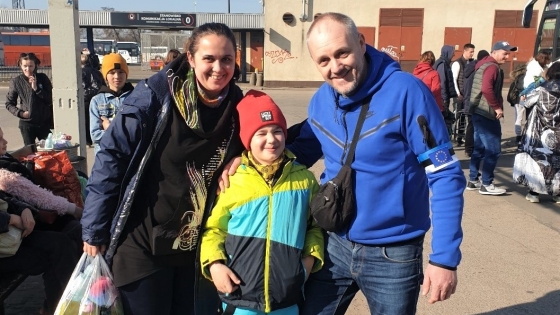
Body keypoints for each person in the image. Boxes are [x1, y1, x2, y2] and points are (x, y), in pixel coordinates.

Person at [269, 12, 464, 315]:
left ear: (361, 43)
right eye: (324, 60)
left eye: (342, 53)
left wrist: (444, 259)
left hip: (394, 254)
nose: (335, 67)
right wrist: (241, 164)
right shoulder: (321, 101)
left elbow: (445, 174)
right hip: (334, 244)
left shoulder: (406, 92)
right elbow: (294, 152)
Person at [81, 22, 245, 315]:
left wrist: (242, 156)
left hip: (192, 247)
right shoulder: (155, 97)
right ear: (191, 58)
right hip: (142, 244)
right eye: (209, 58)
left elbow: (270, 143)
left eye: (227, 59)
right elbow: (111, 158)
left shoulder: (237, 107)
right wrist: (94, 229)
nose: (218, 68)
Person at [200, 90, 324, 315]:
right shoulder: (233, 181)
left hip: (286, 302)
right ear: (247, 140)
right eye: (261, 133)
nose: (271, 139)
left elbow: (314, 227)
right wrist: (214, 265)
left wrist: (308, 263)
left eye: (277, 131)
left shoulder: (304, 180)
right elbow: (213, 229)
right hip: (239, 300)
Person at [0, 127, 80, 315]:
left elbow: (4, 198)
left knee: (63, 242)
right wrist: (10, 218)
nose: (5, 142)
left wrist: (23, 209)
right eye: (0, 139)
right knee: (59, 250)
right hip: (6, 243)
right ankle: (63, 306)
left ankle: (60, 307)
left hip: (10, 238)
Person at [467, 41, 517, 195]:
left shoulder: (483, 64)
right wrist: (496, 107)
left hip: (478, 112)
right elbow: (486, 88)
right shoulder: (492, 67)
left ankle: (473, 180)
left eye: (508, 53)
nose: (507, 57)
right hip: (486, 113)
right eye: (505, 53)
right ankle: (487, 184)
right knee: (493, 150)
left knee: (479, 149)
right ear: (494, 52)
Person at [513, 62, 560, 203]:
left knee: (538, 160)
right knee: (556, 161)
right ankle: (557, 194)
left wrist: (523, 98)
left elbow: (525, 103)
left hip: (539, 131)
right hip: (557, 132)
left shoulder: (541, 89)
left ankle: (534, 193)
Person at [89, 53, 134, 154]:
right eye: (112, 72)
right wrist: (121, 133)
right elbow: (95, 135)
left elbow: (137, 133)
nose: (117, 76)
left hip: (128, 156)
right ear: (106, 76)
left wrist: (110, 128)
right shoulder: (97, 101)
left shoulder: (135, 99)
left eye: (121, 72)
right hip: (105, 158)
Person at [5, 53, 53, 146]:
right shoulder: (16, 82)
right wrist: (21, 113)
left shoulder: (42, 78)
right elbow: (9, 103)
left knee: (48, 151)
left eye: (31, 66)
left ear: (35, 65)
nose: (28, 69)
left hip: (44, 122)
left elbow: (51, 98)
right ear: (20, 65)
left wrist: (37, 89)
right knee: (30, 152)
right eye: (25, 66)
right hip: (27, 124)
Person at [463, 50, 490, 157]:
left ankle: (469, 149)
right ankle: (474, 149)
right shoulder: (480, 69)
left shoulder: (470, 68)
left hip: (468, 99)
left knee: (471, 125)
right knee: (477, 126)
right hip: (476, 101)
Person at [451, 43, 475, 145]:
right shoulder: (457, 63)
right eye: (471, 52)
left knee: (464, 117)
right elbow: (454, 79)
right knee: (457, 116)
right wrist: (458, 93)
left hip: (467, 94)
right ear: (464, 51)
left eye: (473, 52)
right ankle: (452, 135)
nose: (472, 54)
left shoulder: (471, 63)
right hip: (459, 95)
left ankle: (461, 137)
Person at [81, 53, 105, 146]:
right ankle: (94, 137)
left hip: (85, 100)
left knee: (86, 120)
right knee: (96, 119)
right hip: (97, 99)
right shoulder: (97, 72)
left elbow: (83, 87)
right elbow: (102, 85)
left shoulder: (80, 72)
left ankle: (87, 140)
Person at [434, 45, 459, 135]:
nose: (454, 54)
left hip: (443, 97)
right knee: (443, 120)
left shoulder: (445, 63)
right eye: (453, 52)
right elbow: (442, 83)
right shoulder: (442, 64)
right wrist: (444, 99)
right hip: (442, 98)